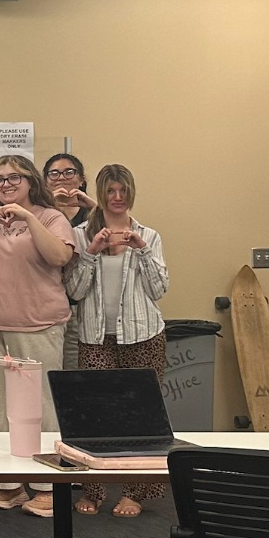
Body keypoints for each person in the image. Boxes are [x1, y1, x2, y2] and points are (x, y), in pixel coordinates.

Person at [0, 154, 76, 516]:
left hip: (39, 323)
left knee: (41, 408)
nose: (5, 185)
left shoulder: (50, 217)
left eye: (13, 178)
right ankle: (7, 485)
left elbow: (59, 257)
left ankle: (47, 487)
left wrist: (27, 218)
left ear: (31, 182)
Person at [64, 164, 171, 519]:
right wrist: (92, 251)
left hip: (143, 335)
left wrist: (142, 250)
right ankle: (93, 490)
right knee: (95, 414)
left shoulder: (149, 235)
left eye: (123, 190)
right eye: (110, 191)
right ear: (101, 194)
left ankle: (135, 493)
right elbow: (74, 291)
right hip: (95, 336)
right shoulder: (81, 234)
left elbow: (159, 289)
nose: (117, 197)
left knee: (141, 415)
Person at [43, 152, 94, 371]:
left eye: (69, 172)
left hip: (83, 306)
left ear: (81, 179)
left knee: (75, 372)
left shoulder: (91, 214)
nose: (61, 178)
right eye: (54, 173)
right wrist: (50, 206)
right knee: (47, 373)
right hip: (45, 306)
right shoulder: (39, 215)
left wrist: (94, 207)